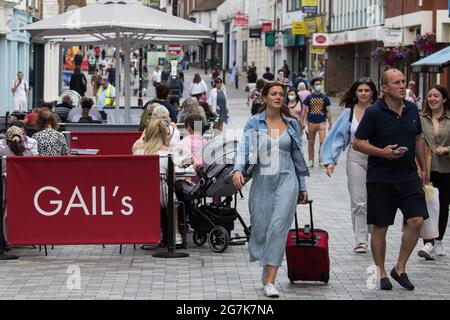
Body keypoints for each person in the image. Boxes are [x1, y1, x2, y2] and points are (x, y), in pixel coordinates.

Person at [353, 69, 429, 291]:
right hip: (381, 178)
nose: (402, 85)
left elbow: (418, 138)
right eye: (396, 82)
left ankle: (400, 268)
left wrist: (424, 168)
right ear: (385, 88)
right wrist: (382, 152)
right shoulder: (374, 112)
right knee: (381, 227)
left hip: (408, 176)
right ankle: (381, 272)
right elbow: (358, 142)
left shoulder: (412, 109)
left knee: (417, 220)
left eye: (403, 81)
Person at [232, 82, 309, 298]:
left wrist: (302, 186)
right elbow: (243, 150)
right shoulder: (254, 123)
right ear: (264, 98)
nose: (278, 97)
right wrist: (237, 170)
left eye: (281, 94)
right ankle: (266, 266)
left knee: (278, 228)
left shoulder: (292, 124)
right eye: (273, 94)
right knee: (260, 228)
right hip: (263, 179)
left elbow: (298, 157)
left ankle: (271, 280)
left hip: (287, 178)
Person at [321, 78, 379, 253]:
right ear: (355, 93)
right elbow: (338, 137)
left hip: (378, 158)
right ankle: (361, 240)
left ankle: (375, 233)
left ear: (372, 93)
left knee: (376, 199)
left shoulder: (380, 111)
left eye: (366, 90)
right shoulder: (349, 113)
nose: (363, 93)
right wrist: (331, 161)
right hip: (356, 157)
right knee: (358, 200)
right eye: (360, 90)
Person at [132, 115, 184, 245]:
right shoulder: (168, 153)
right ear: (163, 135)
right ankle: (176, 234)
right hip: (163, 196)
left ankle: (148, 234)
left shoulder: (138, 150)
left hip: (141, 197)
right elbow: (172, 180)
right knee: (172, 198)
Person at [417, 85, 450, 260]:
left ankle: (439, 240)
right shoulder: (420, 118)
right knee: (427, 204)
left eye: (436, 96)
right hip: (425, 169)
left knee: (443, 205)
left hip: (446, 168)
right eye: (429, 96)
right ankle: (428, 243)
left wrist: (447, 149)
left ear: (444, 98)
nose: (432, 99)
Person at [301, 77, 332, 168]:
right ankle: (311, 160)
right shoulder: (309, 97)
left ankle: (321, 159)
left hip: (322, 122)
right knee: (311, 142)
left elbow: (328, 110)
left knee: (323, 141)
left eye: (319, 84)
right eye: (316, 84)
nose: (318, 86)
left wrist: (330, 122)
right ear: (313, 86)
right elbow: (304, 109)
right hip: (311, 122)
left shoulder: (325, 97)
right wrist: (302, 121)